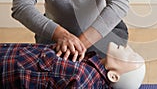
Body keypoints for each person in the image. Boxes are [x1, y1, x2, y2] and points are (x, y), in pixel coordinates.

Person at [0, 42, 145, 89]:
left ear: (113, 75)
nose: (128, 47)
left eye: (131, 56)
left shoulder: (83, 78)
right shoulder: (88, 62)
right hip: (10, 51)